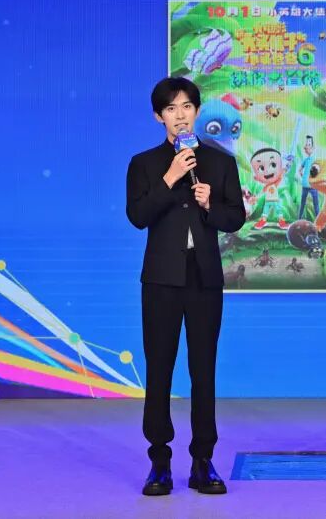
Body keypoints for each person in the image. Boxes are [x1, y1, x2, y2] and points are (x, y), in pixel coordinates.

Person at [125, 77, 245, 496]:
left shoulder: (220, 162)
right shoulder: (143, 163)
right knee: (159, 369)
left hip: (204, 278)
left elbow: (236, 218)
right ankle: (159, 461)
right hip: (161, 279)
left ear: (197, 112)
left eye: (187, 107)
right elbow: (138, 216)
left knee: (203, 370)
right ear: (158, 116)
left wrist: (211, 205)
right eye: (171, 109)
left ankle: (202, 460)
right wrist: (170, 177)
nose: (180, 115)